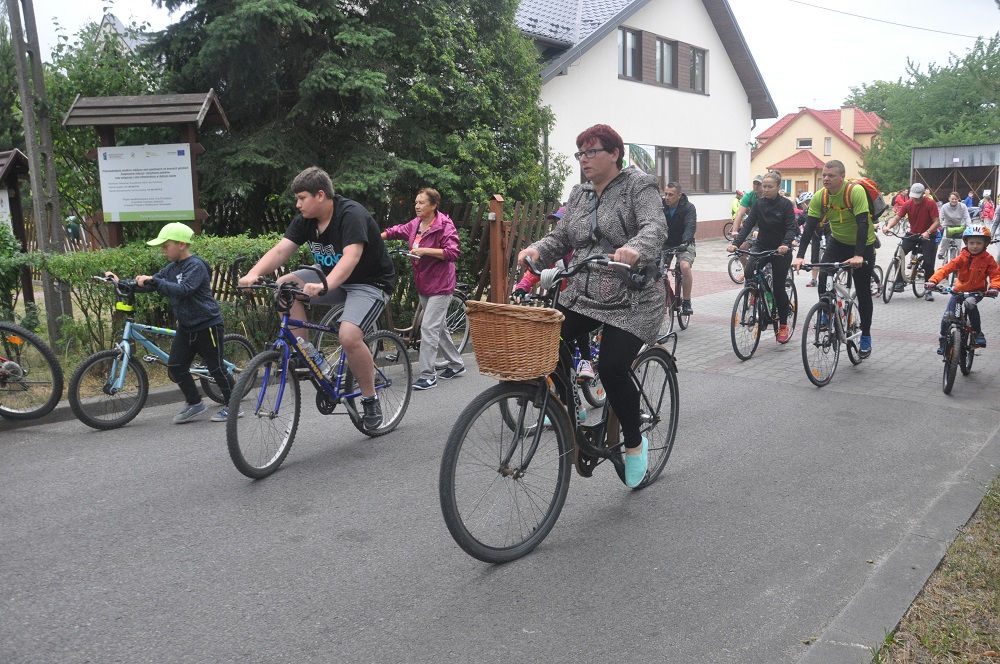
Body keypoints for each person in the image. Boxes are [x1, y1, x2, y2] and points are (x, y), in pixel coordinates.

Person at [517, 123, 665, 488]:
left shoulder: (639, 185)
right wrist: (537, 249)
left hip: (634, 296)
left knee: (613, 367)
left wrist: (636, 249)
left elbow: (654, 227)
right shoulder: (580, 193)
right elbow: (562, 236)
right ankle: (573, 414)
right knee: (546, 346)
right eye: (580, 153)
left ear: (614, 153)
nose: (584, 159)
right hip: (584, 293)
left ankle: (633, 443)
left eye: (592, 151)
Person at [238, 166, 395, 429]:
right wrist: (252, 274)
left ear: (320, 195)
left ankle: (370, 398)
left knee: (348, 336)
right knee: (283, 286)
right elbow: (280, 251)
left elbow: (351, 257)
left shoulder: (351, 214)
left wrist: (326, 285)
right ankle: (306, 352)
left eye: (302, 198)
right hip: (331, 277)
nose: (298, 204)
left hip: (369, 283)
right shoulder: (306, 220)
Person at [107, 223, 234, 423]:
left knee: (215, 368)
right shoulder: (172, 268)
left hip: (207, 324)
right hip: (186, 326)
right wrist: (122, 281)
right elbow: (151, 284)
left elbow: (184, 289)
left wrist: (155, 281)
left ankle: (233, 406)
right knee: (175, 366)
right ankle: (195, 403)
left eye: (166, 245)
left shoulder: (196, 265)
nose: (163, 250)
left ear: (181, 245)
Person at [792, 159, 878, 357]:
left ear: (842, 176)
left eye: (830, 175)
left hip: (862, 244)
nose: (826, 179)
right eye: (823, 175)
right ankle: (826, 312)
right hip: (838, 242)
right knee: (824, 276)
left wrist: (858, 255)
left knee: (863, 291)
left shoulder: (854, 192)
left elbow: (863, 224)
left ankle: (865, 335)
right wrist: (800, 256)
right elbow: (810, 227)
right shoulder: (820, 197)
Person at [382, 188, 464, 391]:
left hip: (441, 284)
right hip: (424, 283)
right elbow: (398, 231)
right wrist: (379, 236)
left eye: (422, 203)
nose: (417, 206)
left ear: (434, 205)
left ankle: (428, 375)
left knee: (429, 328)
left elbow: (453, 252)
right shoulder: (416, 224)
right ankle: (456, 363)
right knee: (438, 327)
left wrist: (425, 250)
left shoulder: (444, 225)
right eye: (416, 202)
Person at [511, 207, 597, 381]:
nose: (559, 227)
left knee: (578, 318)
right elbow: (535, 272)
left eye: (562, 222)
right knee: (554, 336)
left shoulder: (584, 249)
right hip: (560, 296)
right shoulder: (556, 250)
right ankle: (562, 390)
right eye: (557, 223)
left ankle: (587, 360)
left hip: (582, 299)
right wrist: (522, 287)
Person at [728, 171, 797, 343]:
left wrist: (786, 244)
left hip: (781, 248)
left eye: (769, 187)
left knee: (779, 288)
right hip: (762, 244)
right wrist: (736, 243)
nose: (765, 190)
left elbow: (791, 227)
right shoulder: (759, 204)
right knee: (750, 269)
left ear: (778, 187)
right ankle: (755, 294)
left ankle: (782, 325)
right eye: (764, 186)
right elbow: (748, 225)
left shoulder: (785, 205)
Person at [925, 224, 1000, 352]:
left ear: (985, 244)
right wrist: (933, 280)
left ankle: (977, 333)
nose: (975, 246)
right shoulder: (962, 257)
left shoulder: (988, 259)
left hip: (977, 292)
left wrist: (994, 287)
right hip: (958, 291)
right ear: (966, 243)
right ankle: (943, 341)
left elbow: (996, 274)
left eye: (978, 243)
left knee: (970, 303)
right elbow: (946, 269)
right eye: (971, 243)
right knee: (948, 315)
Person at [881, 183, 941, 301]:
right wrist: (888, 227)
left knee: (928, 262)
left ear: (923, 194)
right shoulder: (908, 204)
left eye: (918, 196)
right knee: (899, 254)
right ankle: (898, 281)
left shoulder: (930, 203)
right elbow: (897, 217)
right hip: (913, 233)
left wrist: (928, 232)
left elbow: (937, 222)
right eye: (914, 196)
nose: (915, 199)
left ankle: (929, 288)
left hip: (928, 235)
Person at [661, 182, 697, 315]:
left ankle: (686, 301)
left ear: (679, 195)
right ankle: (663, 296)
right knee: (657, 269)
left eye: (670, 194)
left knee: (684, 266)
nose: (667, 197)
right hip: (665, 243)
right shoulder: (660, 206)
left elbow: (690, 226)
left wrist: (685, 241)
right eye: (665, 194)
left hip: (684, 243)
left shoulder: (688, 208)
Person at [795, 192, 824, 287]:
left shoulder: (821, 209)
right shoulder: (805, 213)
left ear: (807, 202)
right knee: (815, 258)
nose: (801, 206)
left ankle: (830, 276)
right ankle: (814, 280)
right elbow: (796, 224)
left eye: (802, 204)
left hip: (826, 235)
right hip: (815, 237)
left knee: (827, 257)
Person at [938, 191, 971, 260]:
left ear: (958, 199)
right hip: (947, 226)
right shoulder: (944, 206)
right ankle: (941, 253)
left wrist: (969, 226)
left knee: (958, 246)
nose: (954, 200)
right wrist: (939, 224)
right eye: (952, 199)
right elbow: (941, 217)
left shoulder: (963, 206)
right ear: (949, 199)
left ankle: (958, 260)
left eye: (956, 199)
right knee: (945, 239)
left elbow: (967, 217)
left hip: (959, 227)